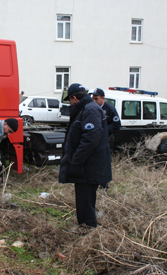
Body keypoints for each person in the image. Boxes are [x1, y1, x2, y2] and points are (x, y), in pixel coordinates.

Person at [59, 83, 112, 228]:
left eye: (69, 100)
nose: (70, 104)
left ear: (74, 98)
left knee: (85, 202)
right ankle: (85, 228)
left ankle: (87, 232)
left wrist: (75, 162)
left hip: (89, 167)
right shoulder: (87, 109)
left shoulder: (90, 110)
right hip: (87, 166)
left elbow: (90, 140)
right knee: (83, 201)